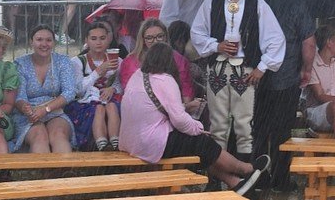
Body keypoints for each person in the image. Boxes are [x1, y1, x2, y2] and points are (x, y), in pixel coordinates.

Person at [118, 43, 267, 196]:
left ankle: (235, 182)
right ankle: (245, 169)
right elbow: (179, 120)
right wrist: (198, 128)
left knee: (198, 148)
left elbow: (153, 109)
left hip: (131, 142)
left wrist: (187, 113)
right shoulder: (165, 80)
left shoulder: (137, 76)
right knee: (202, 143)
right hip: (150, 143)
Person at [190, 0, 286, 162]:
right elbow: (197, 33)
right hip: (217, 68)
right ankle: (217, 174)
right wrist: (217, 46)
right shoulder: (211, 2)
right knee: (218, 124)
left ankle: (245, 172)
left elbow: (276, 38)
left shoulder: (257, 4)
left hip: (245, 69)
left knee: (245, 125)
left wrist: (262, 67)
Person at [253, 0, 317, 189]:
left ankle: (258, 176)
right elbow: (309, 43)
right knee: (282, 130)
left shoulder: (255, 1)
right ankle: (280, 179)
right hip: (287, 74)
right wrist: (306, 70)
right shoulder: (296, 4)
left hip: (258, 76)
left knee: (259, 128)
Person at [10, 25, 79, 153]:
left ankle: (66, 166)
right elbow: (19, 97)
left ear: (54, 42)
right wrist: (26, 109)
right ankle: (42, 166)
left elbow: (69, 92)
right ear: (31, 42)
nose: (44, 44)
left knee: (58, 135)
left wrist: (46, 109)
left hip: (54, 110)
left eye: (48, 40)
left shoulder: (62, 61)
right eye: (39, 40)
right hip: (28, 114)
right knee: (39, 137)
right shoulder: (20, 64)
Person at [66, 21, 125, 151]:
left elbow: (120, 84)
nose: (98, 42)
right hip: (85, 101)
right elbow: (78, 90)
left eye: (102, 38)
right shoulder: (78, 62)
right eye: (93, 38)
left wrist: (112, 88)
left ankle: (116, 143)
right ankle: (101, 144)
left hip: (109, 99)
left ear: (108, 39)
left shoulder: (117, 60)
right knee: (98, 109)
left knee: (112, 107)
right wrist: (97, 72)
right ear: (86, 40)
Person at [119, 18, 200, 113]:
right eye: (149, 38)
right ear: (143, 40)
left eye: (160, 36)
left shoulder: (179, 60)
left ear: (166, 37)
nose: (155, 41)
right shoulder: (130, 62)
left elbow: (186, 91)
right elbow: (130, 94)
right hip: (141, 109)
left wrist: (185, 109)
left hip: (174, 110)